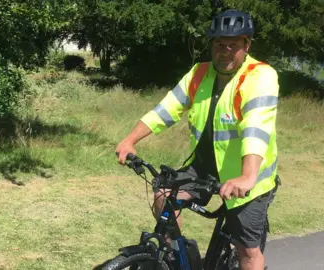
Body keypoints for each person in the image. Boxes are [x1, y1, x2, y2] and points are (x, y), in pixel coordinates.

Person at [115, 9, 280, 270]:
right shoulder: (199, 73)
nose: (225, 51)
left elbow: (256, 127)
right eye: (219, 44)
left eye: (233, 45)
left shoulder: (260, 76)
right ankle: (177, 253)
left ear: (246, 45)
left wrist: (247, 176)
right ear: (211, 45)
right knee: (163, 194)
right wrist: (130, 139)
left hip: (248, 176)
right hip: (203, 167)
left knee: (247, 250)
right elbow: (167, 109)